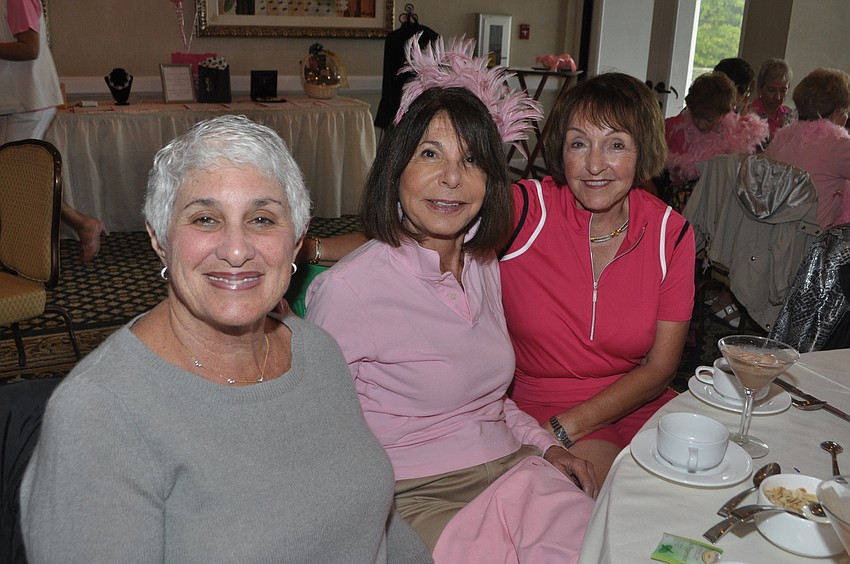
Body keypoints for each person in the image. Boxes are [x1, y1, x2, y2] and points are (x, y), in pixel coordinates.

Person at [19, 115, 431, 564]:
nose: (236, 250)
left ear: (296, 241)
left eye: (261, 218)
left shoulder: (317, 351)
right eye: (205, 218)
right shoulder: (100, 413)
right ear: (158, 238)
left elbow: (378, 528)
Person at [306, 37, 596, 563]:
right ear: (396, 171)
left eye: (472, 160)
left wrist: (547, 445)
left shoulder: (483, 266)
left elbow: (489, 399)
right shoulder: (350, 292)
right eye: (430, 154)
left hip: (514, 466)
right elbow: (316, 436)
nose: (452, 178)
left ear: (491, 180)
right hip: (417, 495)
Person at [498, 72, 696, 485]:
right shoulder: (526, 212)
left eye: (616, 145)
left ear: (643, 152)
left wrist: (570, 425)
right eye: (579, 143)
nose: (594, 165)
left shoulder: (670, 233)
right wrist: (322, 248)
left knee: (702, 489)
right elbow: (430, 228)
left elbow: (661, 366)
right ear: (561, 151)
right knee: (604, 504)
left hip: (640, 398)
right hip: (544, 401)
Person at [1, 0, 103, 262]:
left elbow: (29, 48)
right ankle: (80, 225)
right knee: (17, 178)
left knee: (17, 179)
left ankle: (28, 255)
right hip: (15, 99)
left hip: (29, 101)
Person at [661, 71, 769, 212]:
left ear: (725, 113)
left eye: (709, 119)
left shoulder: (740, 132)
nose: (702, 124)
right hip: (680, 203)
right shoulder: (672, 128)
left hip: (720, 202)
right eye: (697, 116)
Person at [765, 67, 850, 230]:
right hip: (813, 240)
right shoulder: (837, 145)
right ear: (836, 113)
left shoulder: (782, 137)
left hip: (774, 233)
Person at [752, 58, 796, 139]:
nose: (778, 97)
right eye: (772, 90)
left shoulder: (791, 115)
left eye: (783, 90)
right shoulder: (749, 114)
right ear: (760, 89)